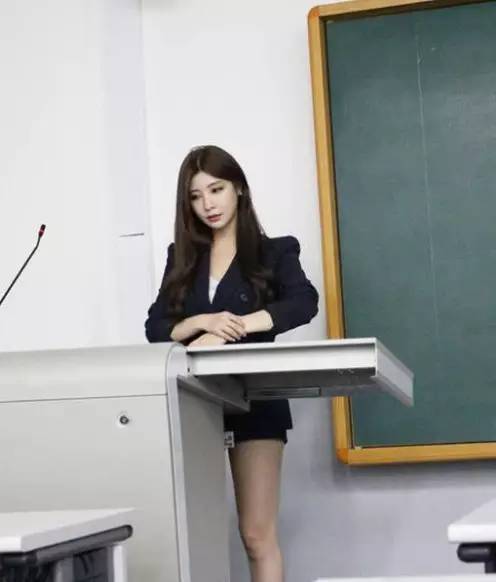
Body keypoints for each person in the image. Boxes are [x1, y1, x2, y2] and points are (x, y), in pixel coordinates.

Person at [144, 145, 319, 582]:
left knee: (257, 535)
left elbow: (304, 303)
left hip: (255, 400)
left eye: (216, 189)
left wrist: (233, 328)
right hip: (194, 404)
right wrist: (201, 322)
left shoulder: (275, 251)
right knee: (191, 537)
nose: (208, 204)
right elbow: (155, 326)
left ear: (238, 188)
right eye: (196, 196)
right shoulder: (182, 257)